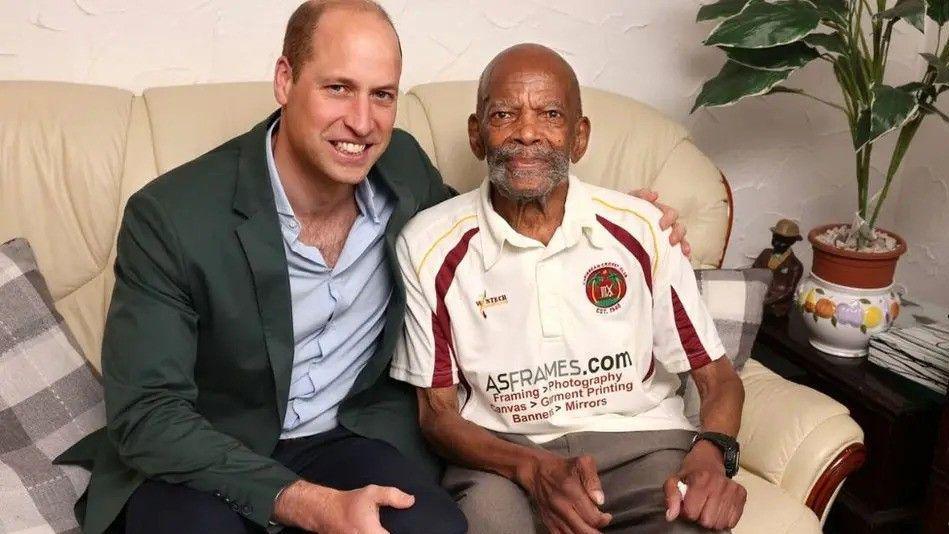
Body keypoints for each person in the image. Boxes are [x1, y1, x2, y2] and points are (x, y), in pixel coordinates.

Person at [55, 2, 691, 533]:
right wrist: (310, 505)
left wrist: (621, 217)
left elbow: (493, 225)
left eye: (381, 95)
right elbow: (148, 416)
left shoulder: (403, 169)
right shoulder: (169, 217)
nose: (361, 123)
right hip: (211, 451)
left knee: (438, 528)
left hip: (347, 436)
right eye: (337, 88)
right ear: (285, 80)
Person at [392, 44, 747, 534]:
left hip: (641, 445)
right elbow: (437, 417)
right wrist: (530, 468)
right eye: (504, 115)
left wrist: (712, 453)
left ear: (580, 137)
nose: (527, 133)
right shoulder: (429, 245)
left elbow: (718, 378)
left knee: (692, 523)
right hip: (504, 455)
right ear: (477, 135)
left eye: (550, 115)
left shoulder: (642, 229)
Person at [752, 219, 804, 317]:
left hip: (776, 311)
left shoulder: (795, 265)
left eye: (783, 241)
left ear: (792, 242)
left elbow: (788, 291)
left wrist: (765, 301)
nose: (777, 243)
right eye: (775, 238)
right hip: (755, 302)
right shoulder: (765, 253)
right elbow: (753, 272)